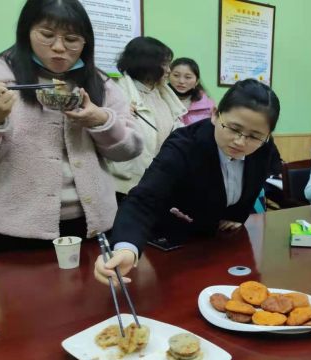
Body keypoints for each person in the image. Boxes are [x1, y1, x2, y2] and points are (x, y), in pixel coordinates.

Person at [93, 79, 280, 285]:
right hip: (175, 245)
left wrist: (237, 214)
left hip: (224, 243)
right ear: (215, 114)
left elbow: (255, 179)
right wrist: (126, 248)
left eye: (254, 136)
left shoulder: (264, 145)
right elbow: (144, 199)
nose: (240, 141)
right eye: (234, 128)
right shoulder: (184, 145)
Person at [0, 0, 142, 250]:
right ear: (26, 33)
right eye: (47, 35)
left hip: (92, 225)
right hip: (15, 228)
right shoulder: (1, 81)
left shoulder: (100, 84)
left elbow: (129, 150)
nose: (59, 47)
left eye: (72, 39)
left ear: (85, 42)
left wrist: (102, 122)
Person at [107, 37, 186, 196]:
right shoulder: (115, 95)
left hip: (159, 182)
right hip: (125, 186)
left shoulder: (163, 95)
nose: (169, 70)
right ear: (146, 64)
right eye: (164, 64)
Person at [168, 57, 216, 126]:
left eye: (188, 77)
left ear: (197, 81)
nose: (181, 81)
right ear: (168, 76)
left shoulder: (209, 106)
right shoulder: (158, 100)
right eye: (176, 75)